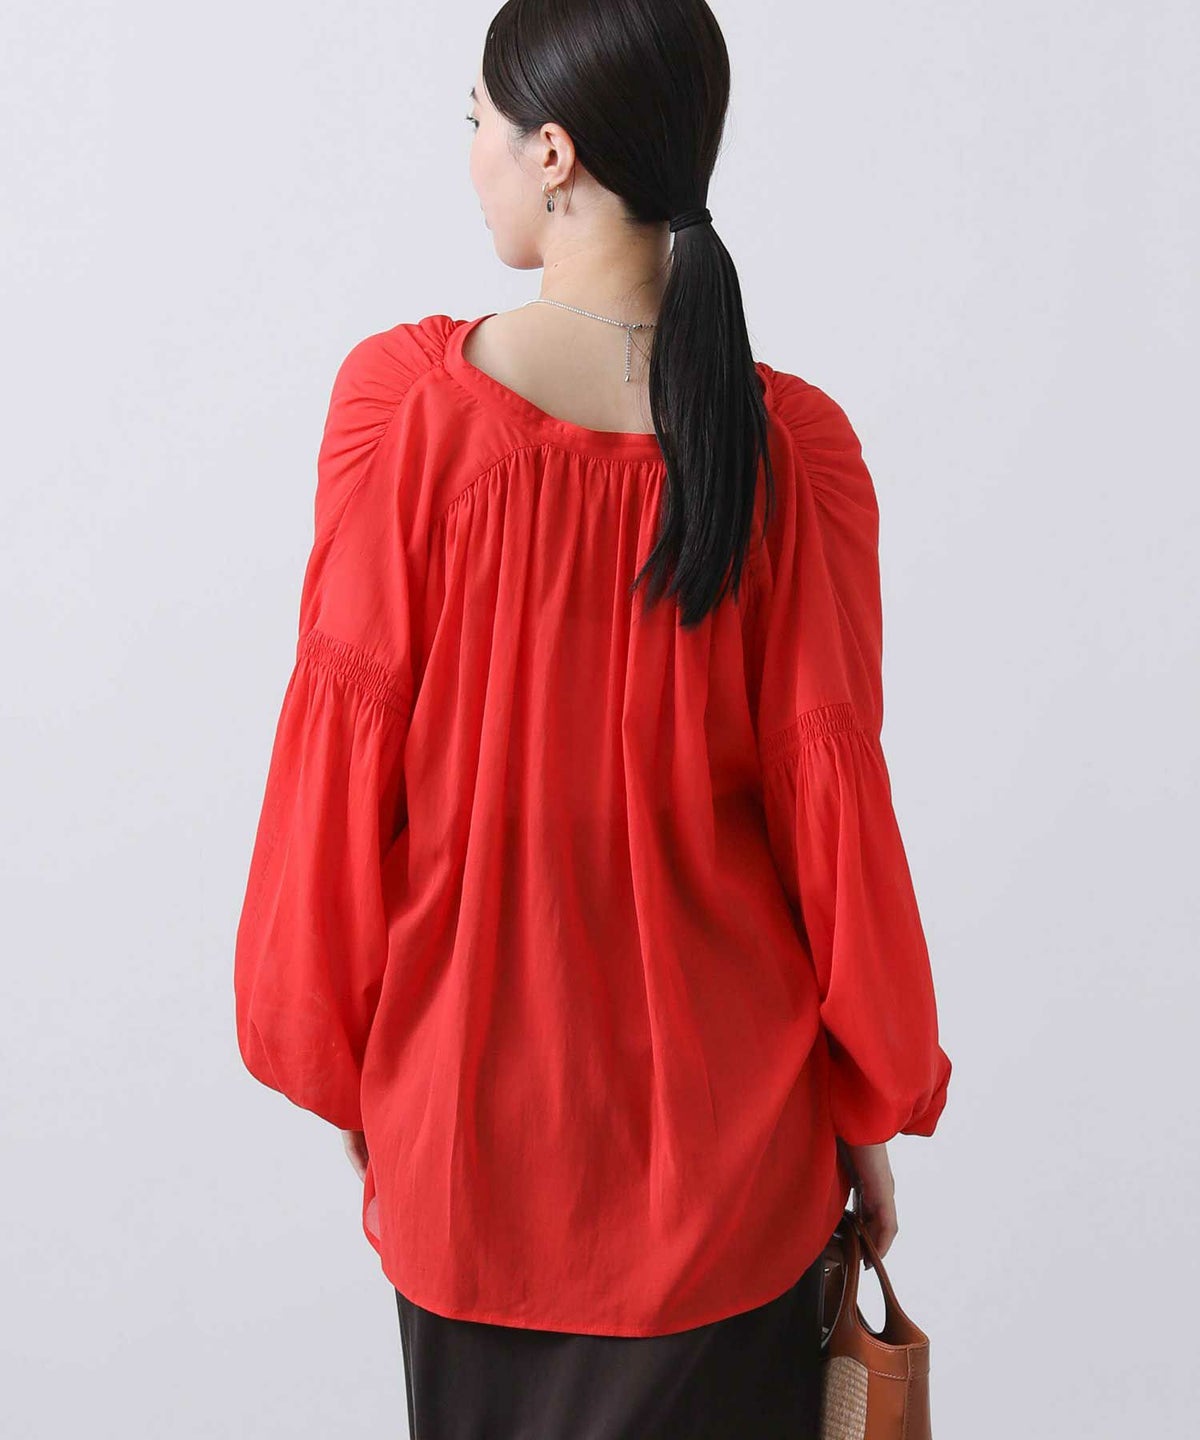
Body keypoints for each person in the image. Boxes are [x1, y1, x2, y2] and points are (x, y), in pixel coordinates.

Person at [232, 1, 952, 1434]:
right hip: (734, 1173)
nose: (475, 157)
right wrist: (862, 1104)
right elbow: (833, 812)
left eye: (479, 126)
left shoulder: (405, 413)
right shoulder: (787, 451)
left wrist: (357, 1066)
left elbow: (337, 774)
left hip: (472, 1155)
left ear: (552, 152)